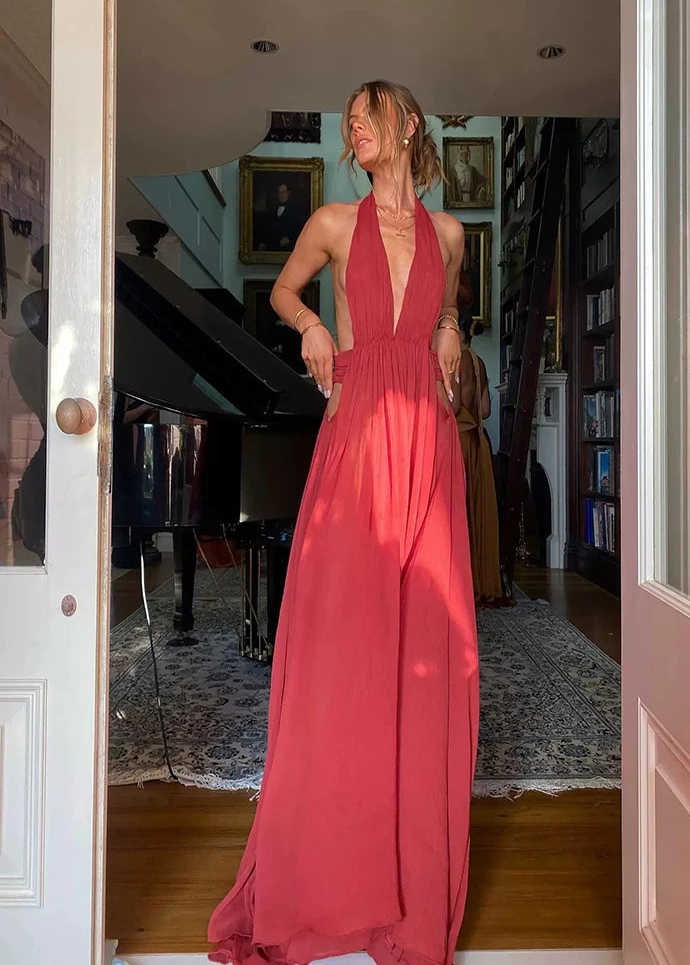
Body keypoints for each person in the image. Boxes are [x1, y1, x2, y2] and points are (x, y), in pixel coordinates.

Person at [208, 80, 479, 965]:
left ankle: (407, 892)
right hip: (358, 437)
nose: (354, 129)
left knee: (427, 651)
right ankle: (331, 877)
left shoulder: (451, 234)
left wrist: (449, 328)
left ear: (406, 123)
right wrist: (312, 331)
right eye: (348, 122)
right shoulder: (330, 221)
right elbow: (284, 295)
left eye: (369, 116)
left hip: (429, 446)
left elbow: (446, 316)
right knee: (346, 648)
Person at [453, 312, 503, 605]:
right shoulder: (479, 362)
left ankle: (459, 582)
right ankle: (476, 579)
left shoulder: (453, 360)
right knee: (475, 511)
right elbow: (484, 410)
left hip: (458, 440)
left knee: (457, 511)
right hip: (478, 442)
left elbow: (455, 403)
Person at [257, 182, 306, 252]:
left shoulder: (296, 210)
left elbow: (301, 228)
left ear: (288, 193)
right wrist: (263, 242)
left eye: (283, 192)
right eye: (279, 193)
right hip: (274, 247)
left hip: (289, 248)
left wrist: (290, 238)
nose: (281, 195)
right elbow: (269, 228)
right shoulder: (273, 209)